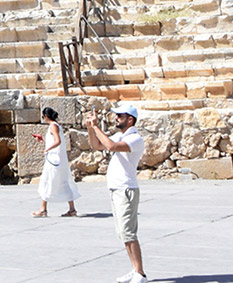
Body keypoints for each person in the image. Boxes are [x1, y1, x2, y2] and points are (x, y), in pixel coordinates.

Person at [86, 105, 147, 283]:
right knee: (123, 233)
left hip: (126, 190)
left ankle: (140, 273)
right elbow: (97, 145)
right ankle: (135, 269)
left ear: (130, 119)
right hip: (116, 189)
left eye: (119, 115)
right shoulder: (121, 135)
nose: (116, 118)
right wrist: (91, 127)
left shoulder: (135, 138)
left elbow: (111, 146)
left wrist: (97, 127)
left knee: (129, 233)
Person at [32, 107, 80, 217]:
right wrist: (43, 141)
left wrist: (47, 149)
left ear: (46, 116)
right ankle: (71, 209)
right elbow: (55, 141)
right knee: (61, 181)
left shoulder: (53, 126)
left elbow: (57, 141)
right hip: (58, 159)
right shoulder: (56, 126)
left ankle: (43, 209)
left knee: (47, 180)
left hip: (54, 160)